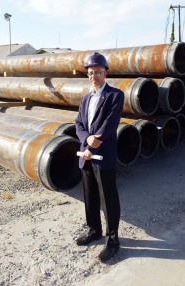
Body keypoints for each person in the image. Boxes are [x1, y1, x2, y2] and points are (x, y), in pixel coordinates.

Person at [75, 52, 124, 262]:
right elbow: (78, 124)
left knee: (109, 198)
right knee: (90, 195)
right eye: (91, 72)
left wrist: (93, 145)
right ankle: (94, 229)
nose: (94, 75)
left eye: (98, 72)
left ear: (105, 73)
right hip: (86, 156)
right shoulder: (86, 98)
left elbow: (110, 124)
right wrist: (87, 140)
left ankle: (113, 240)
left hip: (103, 157)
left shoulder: (115, 95)